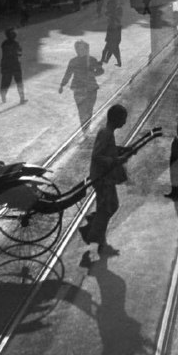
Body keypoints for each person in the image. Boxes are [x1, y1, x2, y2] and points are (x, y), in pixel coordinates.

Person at [79, 104, 130, 256]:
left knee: (108, 206)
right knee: (109, 207)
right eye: (123, 119)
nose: (125, 122)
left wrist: (120, 150)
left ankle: (95, 231)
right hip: (102, 178)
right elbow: (97, 156)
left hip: (104, 177)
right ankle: (92, 233)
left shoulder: (107, 132)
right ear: (116, 119)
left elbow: (108, 150)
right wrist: (115, 160)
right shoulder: (106, 134)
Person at [59, 40, 104, 132]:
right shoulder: (73, 61)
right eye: (78, 49)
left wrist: (93, 74)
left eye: (82, 49)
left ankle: (87, 127)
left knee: (89, 110)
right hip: (78, 89)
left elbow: (101, 71)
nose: (80, 51)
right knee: (82, 111)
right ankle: (85, 130)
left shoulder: (92, 60)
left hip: (91, 88)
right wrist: (62, 84)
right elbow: (68, 74)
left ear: (87, 49)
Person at [0, 28, 26, 104]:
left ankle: (3, 95)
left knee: (6, 82)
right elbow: (20, 54)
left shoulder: (4, 44)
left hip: (6, 65)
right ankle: (22, 98)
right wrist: (19, 50)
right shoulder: (16, 44)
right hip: (15, 65)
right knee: (19, 82)